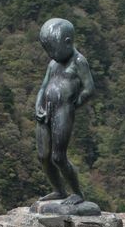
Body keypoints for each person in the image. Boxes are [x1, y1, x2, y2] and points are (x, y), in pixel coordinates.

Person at [35, 17, 95, 203]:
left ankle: (77, 193)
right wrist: (38, 104)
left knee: (58, 156)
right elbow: (43, 87)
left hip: (63, 111)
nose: (51, 55)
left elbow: (89, 88)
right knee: (43, 155)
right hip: (45, 111)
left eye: (53, 49)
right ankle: (59, 190)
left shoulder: (79, 62)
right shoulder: (53, 64)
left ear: (68, 43)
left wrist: (75, 103)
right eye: (48, 50)